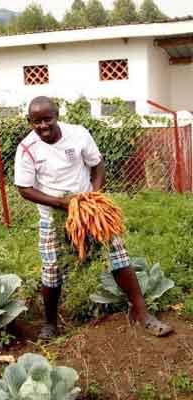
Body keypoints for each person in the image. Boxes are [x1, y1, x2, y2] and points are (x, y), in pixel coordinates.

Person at [14, 96, 174, 340]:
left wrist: (94, 198)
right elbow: (24, 189)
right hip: (53, 217)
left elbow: (97, 166)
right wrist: (61, 203)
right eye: (37, 121)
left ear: (57, 116)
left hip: (89, 211)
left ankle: (142, 314)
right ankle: (50, 323)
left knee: (118, 258)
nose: (43, 125)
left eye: (48, 119)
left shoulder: (78, 134)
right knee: (52, 269)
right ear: (29, 121)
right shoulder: (27, 148)